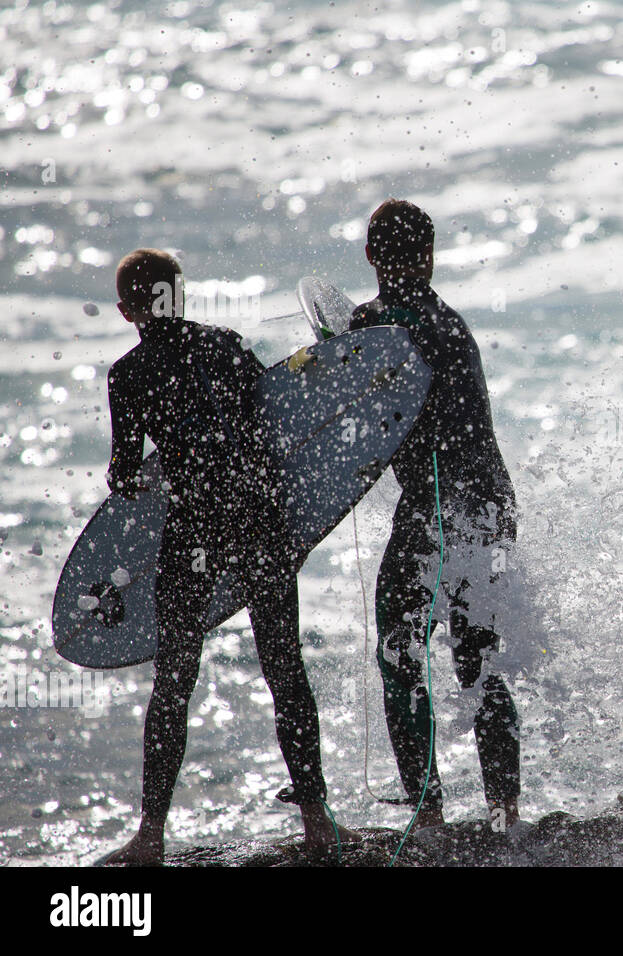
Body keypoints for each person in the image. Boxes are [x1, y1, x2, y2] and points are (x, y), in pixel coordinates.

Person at [102, 248, 360, 864]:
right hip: (259, 520)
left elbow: (122, 473)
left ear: (126, 310)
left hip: (197, 531)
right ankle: (319, 823)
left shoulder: (129, 375)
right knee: (284, 668)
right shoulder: (225, 345)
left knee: (174, 681)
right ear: (181, 295)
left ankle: (151, 835)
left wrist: (132, 485)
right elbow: (272, 424)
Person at [351, 199, 521, 830]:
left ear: (371, 256)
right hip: (493, 503)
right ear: (430, 256)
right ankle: (505, 811)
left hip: (437, 508)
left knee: (400, 648)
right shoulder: (452, 322)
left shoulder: (380, 326)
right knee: (479, 654)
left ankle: (427, 813)